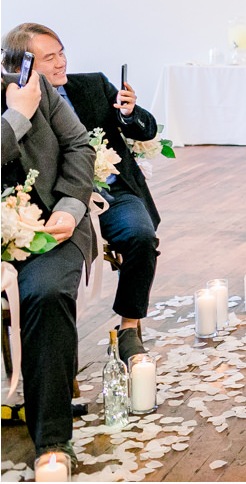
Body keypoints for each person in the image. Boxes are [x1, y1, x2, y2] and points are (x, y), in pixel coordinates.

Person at [3, 24, 159, 363]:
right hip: (54, 201)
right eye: (49, 58)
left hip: (110, 192)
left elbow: (146, 129)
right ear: (22, 67)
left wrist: (131, 113)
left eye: (61, 53)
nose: (61, 63)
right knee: (52, 276)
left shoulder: (91, 85)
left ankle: (129, 326)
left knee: (141, 235)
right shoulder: (13, 103)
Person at [2, 66, 94, 474]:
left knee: (47, 291)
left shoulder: (28, 83)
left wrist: (70, 207)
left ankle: (52, 440)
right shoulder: (21, 102)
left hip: (49, 230)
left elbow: (79, 145)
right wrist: (16, 118)